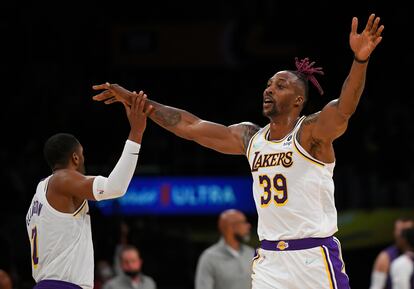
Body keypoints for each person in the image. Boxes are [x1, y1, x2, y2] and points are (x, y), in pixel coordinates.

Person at [92, 13, 384, 289]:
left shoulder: (311, 133)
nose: (268, 90)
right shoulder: (250, 137)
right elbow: (189, 126)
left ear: (298, 100)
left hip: (313, 256)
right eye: (268, 84)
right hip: (270, 259)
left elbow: (344, 108)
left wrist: (360, 59)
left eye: (280, 86)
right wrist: (134, 99)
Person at [25, 92, 153, 289]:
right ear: (75, 158)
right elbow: (115, 187)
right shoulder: (63, 179)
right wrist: (136, 132)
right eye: (82, 154)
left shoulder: (40, 193)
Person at [195, 209, 254, 289]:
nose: (248, 226)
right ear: (231, 227)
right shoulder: (209, 258)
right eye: (243, 222)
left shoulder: (251, 253)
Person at [370, 217, 414, 289]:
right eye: (400, 231)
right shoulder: (385, 257)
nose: (402, 235)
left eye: (407, 232)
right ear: (394, 232)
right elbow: (376, 287)